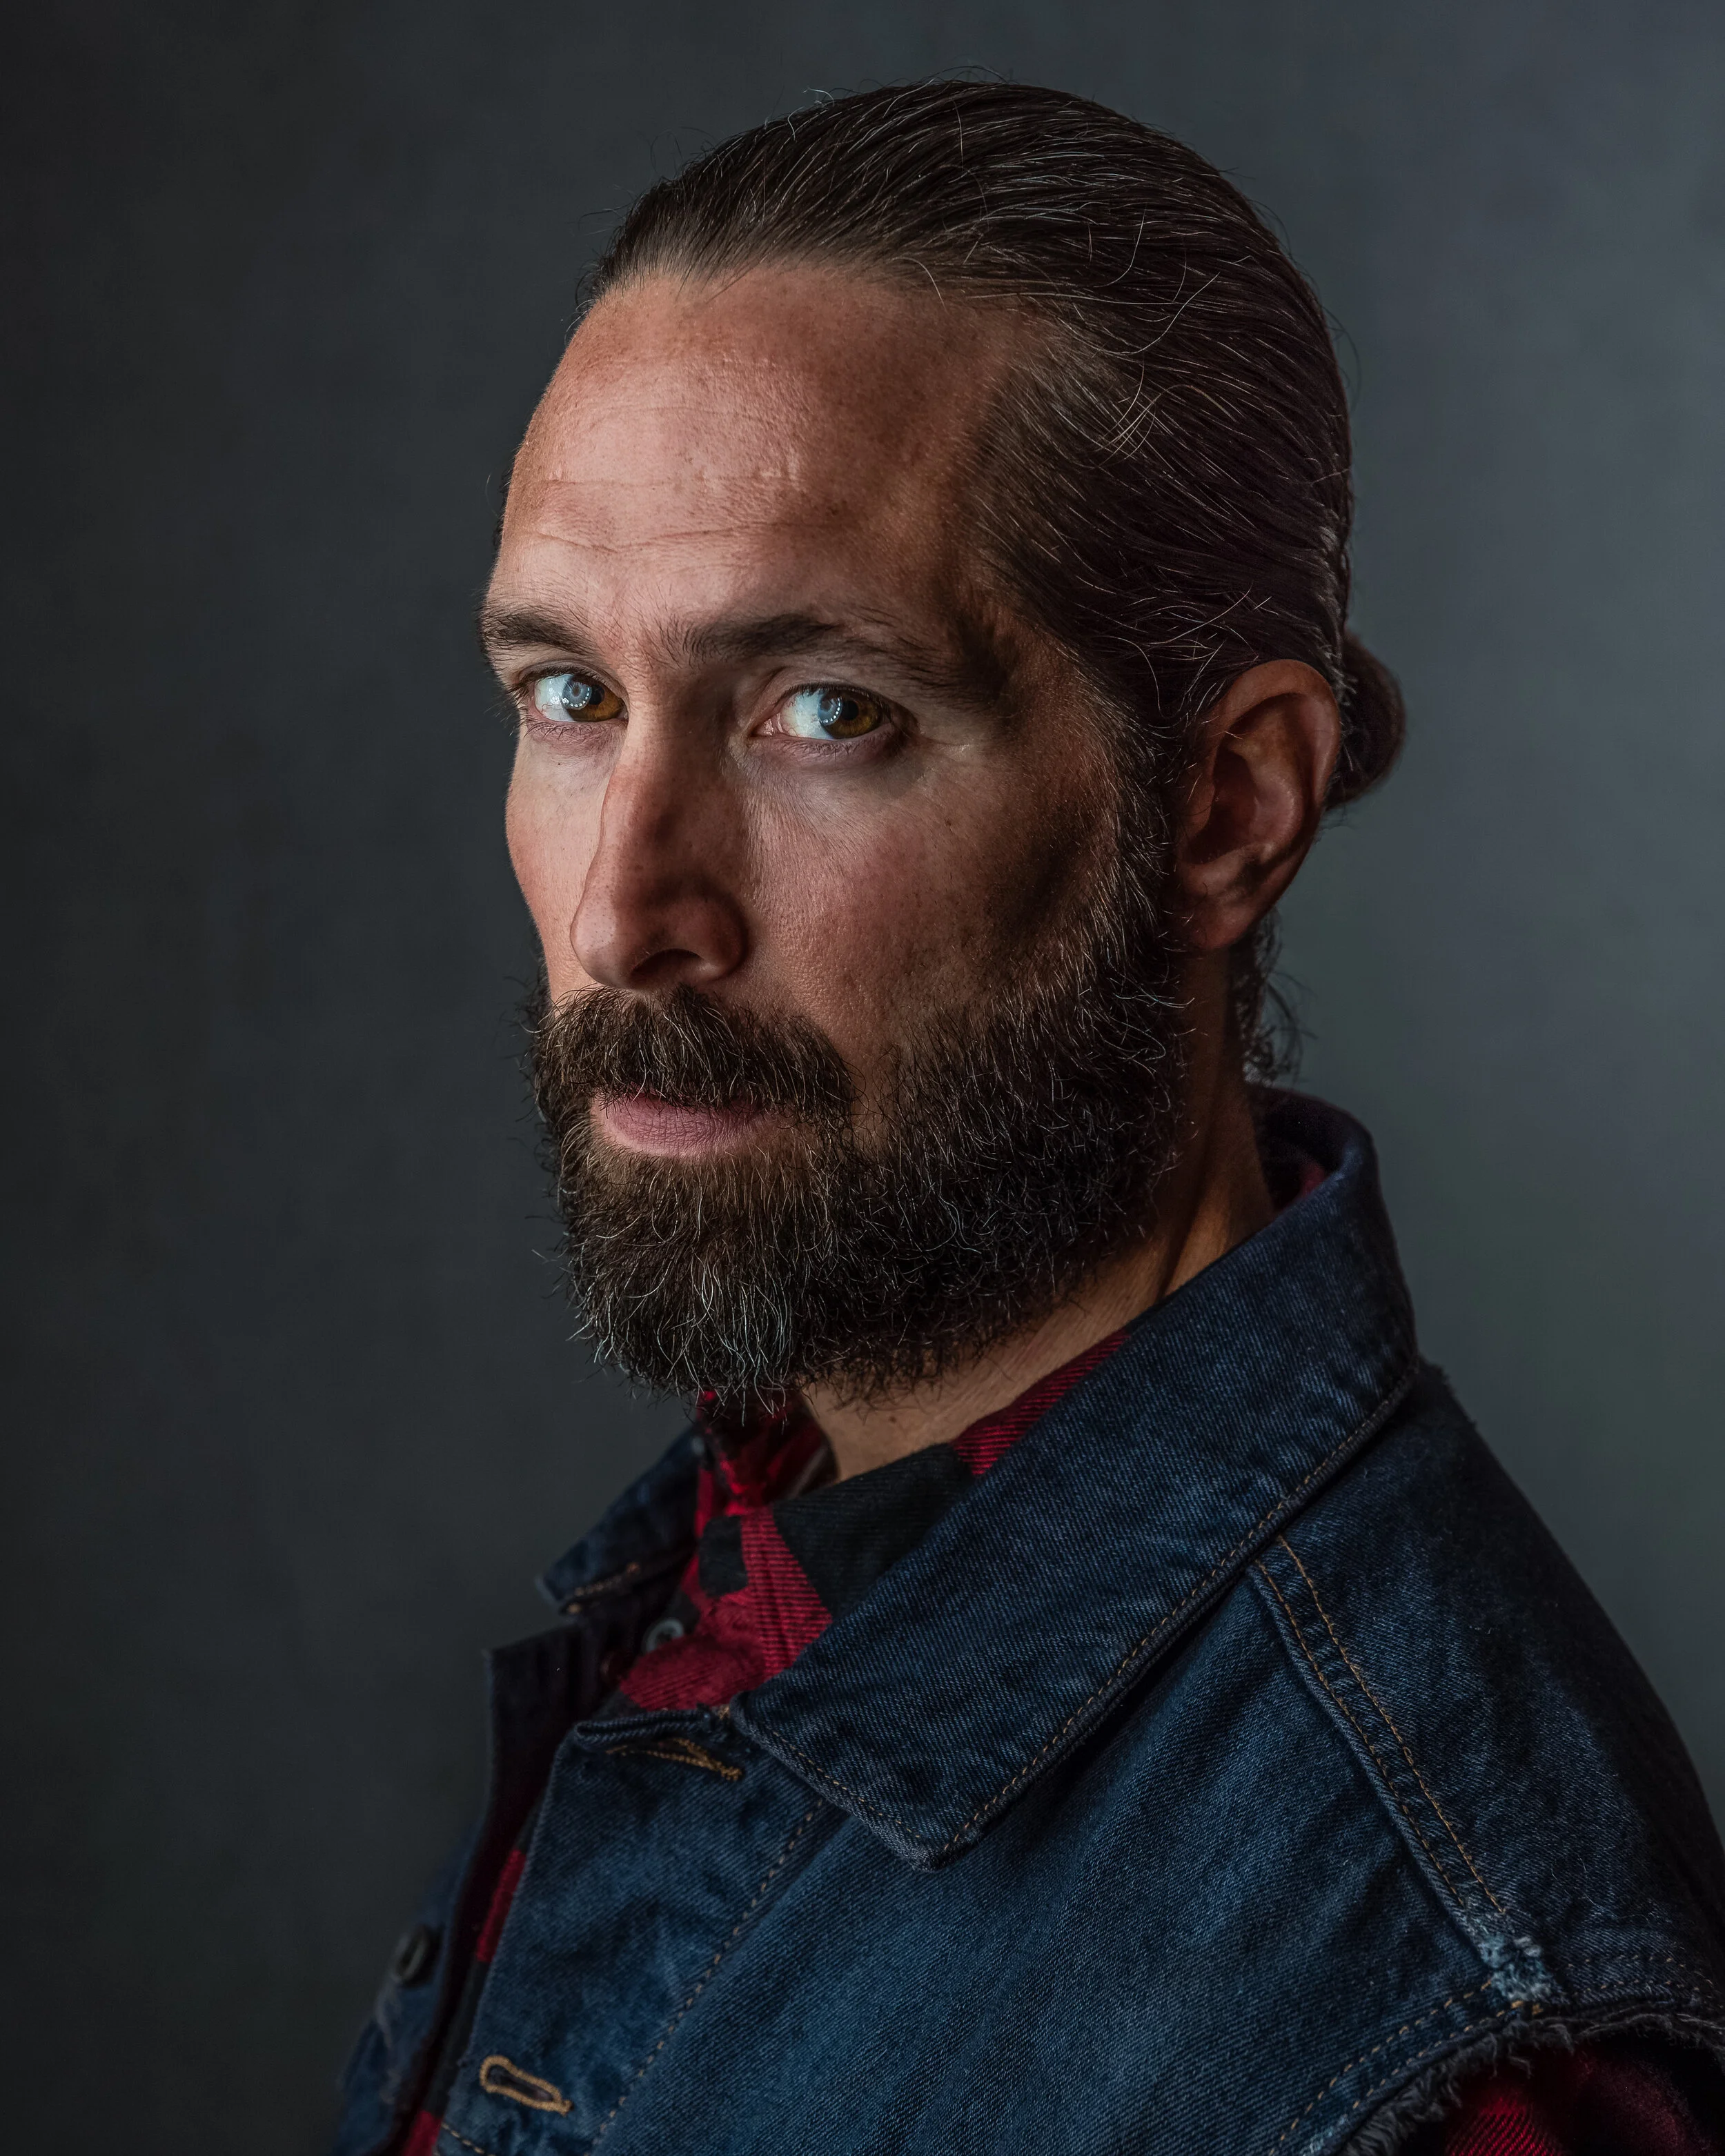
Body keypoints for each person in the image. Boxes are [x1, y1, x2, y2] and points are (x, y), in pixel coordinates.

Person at [330, 81, 1725, 2156]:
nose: (626, 911)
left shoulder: (1432, 2035)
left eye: (826, 713)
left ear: (1226, 807)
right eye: (569, 697)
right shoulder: (762, 1538)